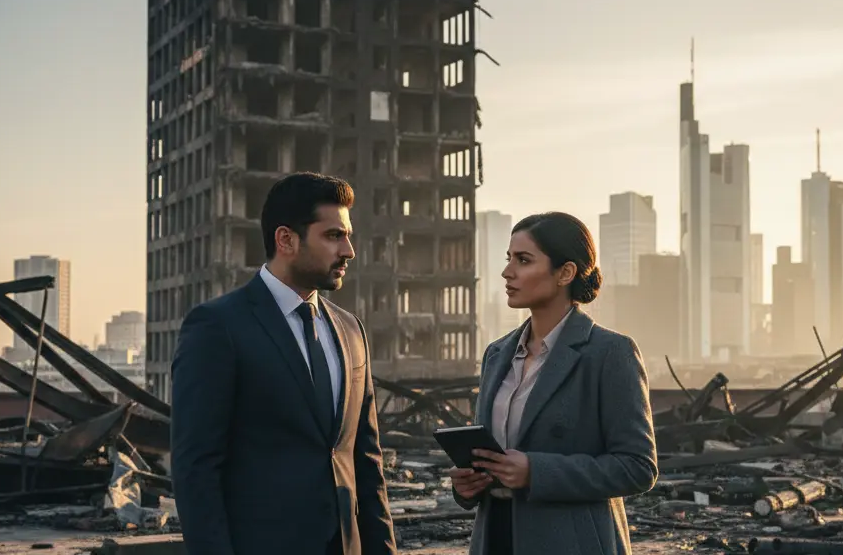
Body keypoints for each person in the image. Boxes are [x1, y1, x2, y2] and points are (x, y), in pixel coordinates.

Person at [170, 172, 396, 555]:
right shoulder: (218, 326)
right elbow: (196, 470)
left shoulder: (351, 330)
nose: (349, 251)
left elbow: (366, 461)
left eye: (347, 235)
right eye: (333, 236)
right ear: (286, 239)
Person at [448, 212, 658, 555]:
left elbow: (638, 467)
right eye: (508, 259)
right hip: (496, 538)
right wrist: (469, 484)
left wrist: (536, 471)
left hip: (572, 542)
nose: (507, 272)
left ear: (565, 273)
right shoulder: (497, 354)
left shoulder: (609, 353)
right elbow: (490, 453)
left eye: (523, 260)